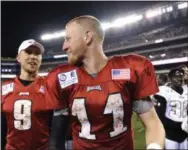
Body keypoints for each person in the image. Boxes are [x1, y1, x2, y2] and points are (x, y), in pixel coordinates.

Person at [46, 15, 165, 150]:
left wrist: (154, 147)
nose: (64, 46)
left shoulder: (129, 70)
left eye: (68, 39)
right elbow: (56, 138)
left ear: (87, 37)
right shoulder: (62, 78)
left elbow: (153, 123)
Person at [1, 39, 53, 150]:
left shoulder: (50, 86)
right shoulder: (4, 88)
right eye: (28, 52)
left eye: (37, 54)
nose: (33, 56)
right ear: (18, 58)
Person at [153, 68, 188, 149]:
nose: (179, 79)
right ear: (170, 78)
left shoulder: (187, 90)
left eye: (181, 76)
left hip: (185, 134)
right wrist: (180, 126)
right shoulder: (163, 92)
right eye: (176, 77)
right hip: (170, 135)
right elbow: (160, 117)